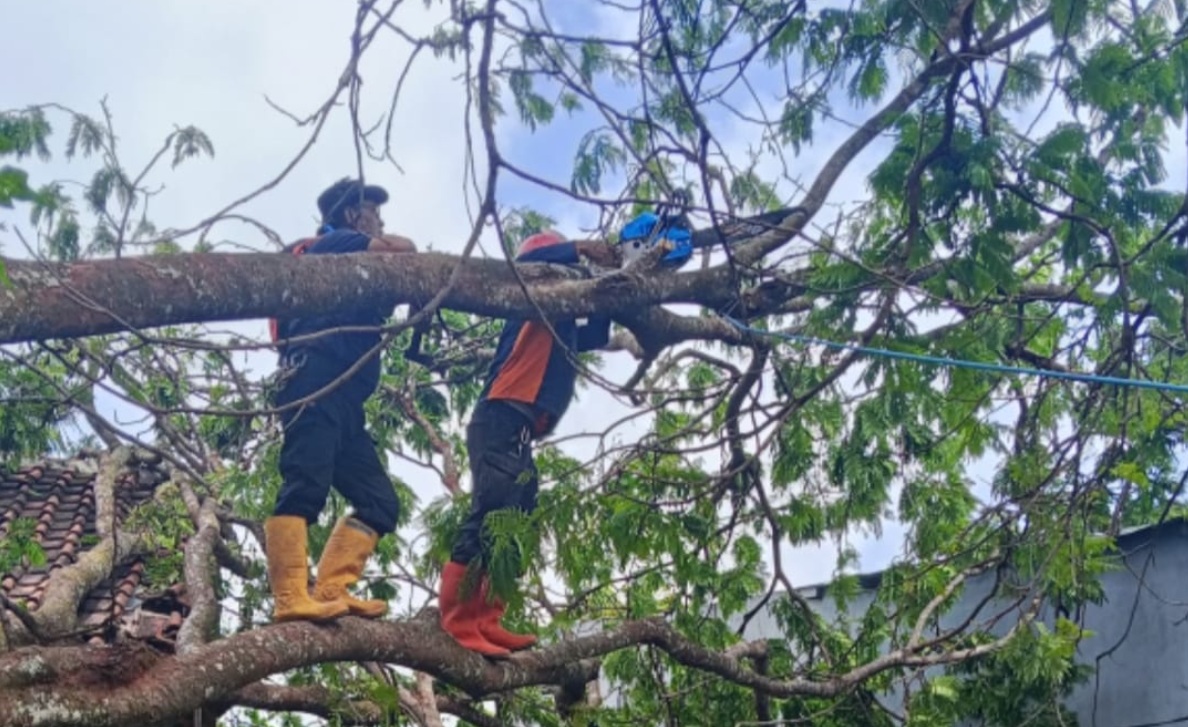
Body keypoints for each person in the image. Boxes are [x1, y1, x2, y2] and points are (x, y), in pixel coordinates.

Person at [438, 228, 621, 657]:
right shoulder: (526, 300)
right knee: (490, 513)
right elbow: (521, 270)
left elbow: (594, 331)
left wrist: (612, 283)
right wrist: (579, 250)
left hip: (517, 432)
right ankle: (458, 618)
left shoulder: (561, 318)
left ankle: (488, 616)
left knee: (518, 519)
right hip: (499, 417)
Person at [265, 177, 417, 623]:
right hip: (314, 384)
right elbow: (401, 248)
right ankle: (290, 596)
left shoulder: (352, 259)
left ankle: (333, 586)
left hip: (346, 405)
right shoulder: (330, 244)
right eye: (374, 212)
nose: (381, 221)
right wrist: (383, 240)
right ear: (353, 215)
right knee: (304, 484)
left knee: (379, 501)